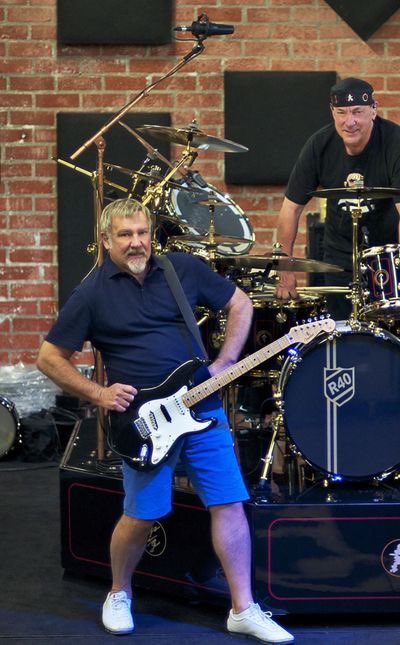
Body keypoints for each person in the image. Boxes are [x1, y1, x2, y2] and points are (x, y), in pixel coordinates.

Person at [36, 198, 294, 643]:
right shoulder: (92, 292)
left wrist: (225, 361)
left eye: (142, 233)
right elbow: (48, 357)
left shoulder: (181, 269)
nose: (136, 242)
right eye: (125, 235)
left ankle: (243, 608)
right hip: (143, 422)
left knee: (229, 502)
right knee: (142, 514)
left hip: (202, 408)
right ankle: (119, 593)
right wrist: (99, 394)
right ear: (106, 240)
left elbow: (241, 303)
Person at [274, 77, 400, 319]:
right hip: (338, 257)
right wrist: (285, 268)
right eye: (341, 112)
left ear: (373, 110)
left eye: (357, 112)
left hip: (385, 255)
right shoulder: (319, 145)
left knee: (389, 332)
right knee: (342, 331)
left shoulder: (396, 141)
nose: (349, 122)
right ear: (332, 112)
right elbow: (290, 209)